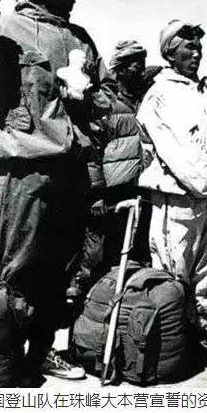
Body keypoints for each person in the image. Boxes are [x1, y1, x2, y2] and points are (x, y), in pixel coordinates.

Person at [0, 0, 117, 385]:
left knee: (60, 270)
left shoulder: (80, 38)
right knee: (17, 268)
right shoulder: (7, 27)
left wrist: (87, 95)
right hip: (25, 167)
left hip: (72, 167)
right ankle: (4, 359)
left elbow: (103, 99)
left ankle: (41, 353)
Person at [137, 20, 207, 368]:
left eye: (199, 48)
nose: (196, 53)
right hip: (179, 196)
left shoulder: (204, 92)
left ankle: (202, 340)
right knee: (174, 272)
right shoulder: (161, 94)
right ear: (170, 53)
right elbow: (177, 152)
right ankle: (174, 346)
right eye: (188, 48)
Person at [66, 40, 148, 299]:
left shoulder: (145, 100)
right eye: (134, 64)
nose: (140, 68)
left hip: (138, 188)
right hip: (108, 192)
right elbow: (91, 148)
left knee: (129, 253)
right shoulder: (104, 102)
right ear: (120, 69)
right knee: (95, 252)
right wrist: (96, 192)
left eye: (142, 62)